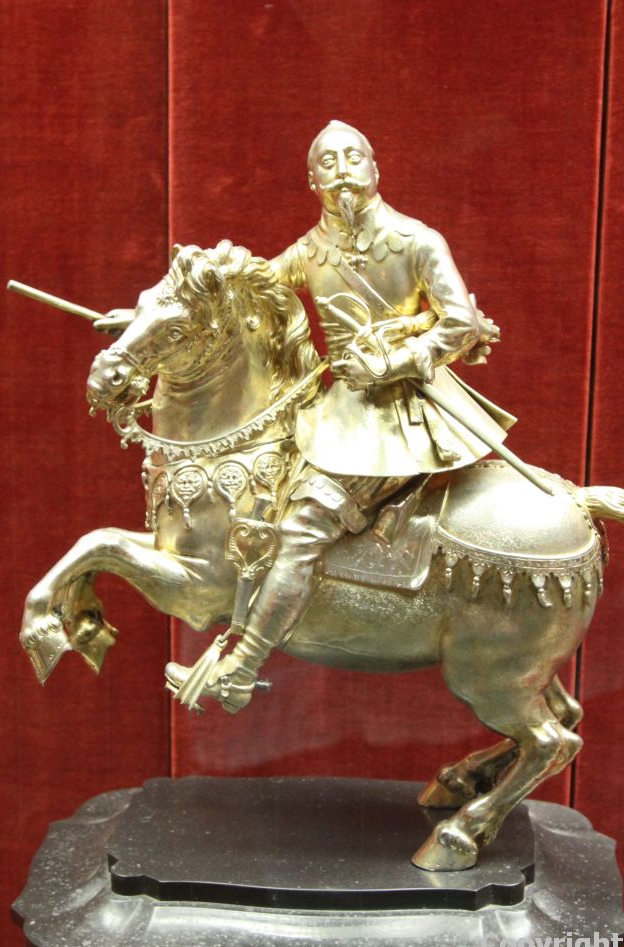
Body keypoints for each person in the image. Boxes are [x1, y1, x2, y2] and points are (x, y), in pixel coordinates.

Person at [170, 120, 514, 712]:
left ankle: (241, 670)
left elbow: (459, 323)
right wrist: (151, 317)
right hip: (339, 412)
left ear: (375, 169)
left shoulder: (416, 240)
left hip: (405, 415)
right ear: (312, 182)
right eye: (327, 163)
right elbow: (247, 288)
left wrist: (396, 361)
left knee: (302, 527)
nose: (342, 170)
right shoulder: (310, 251)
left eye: (353, 157)